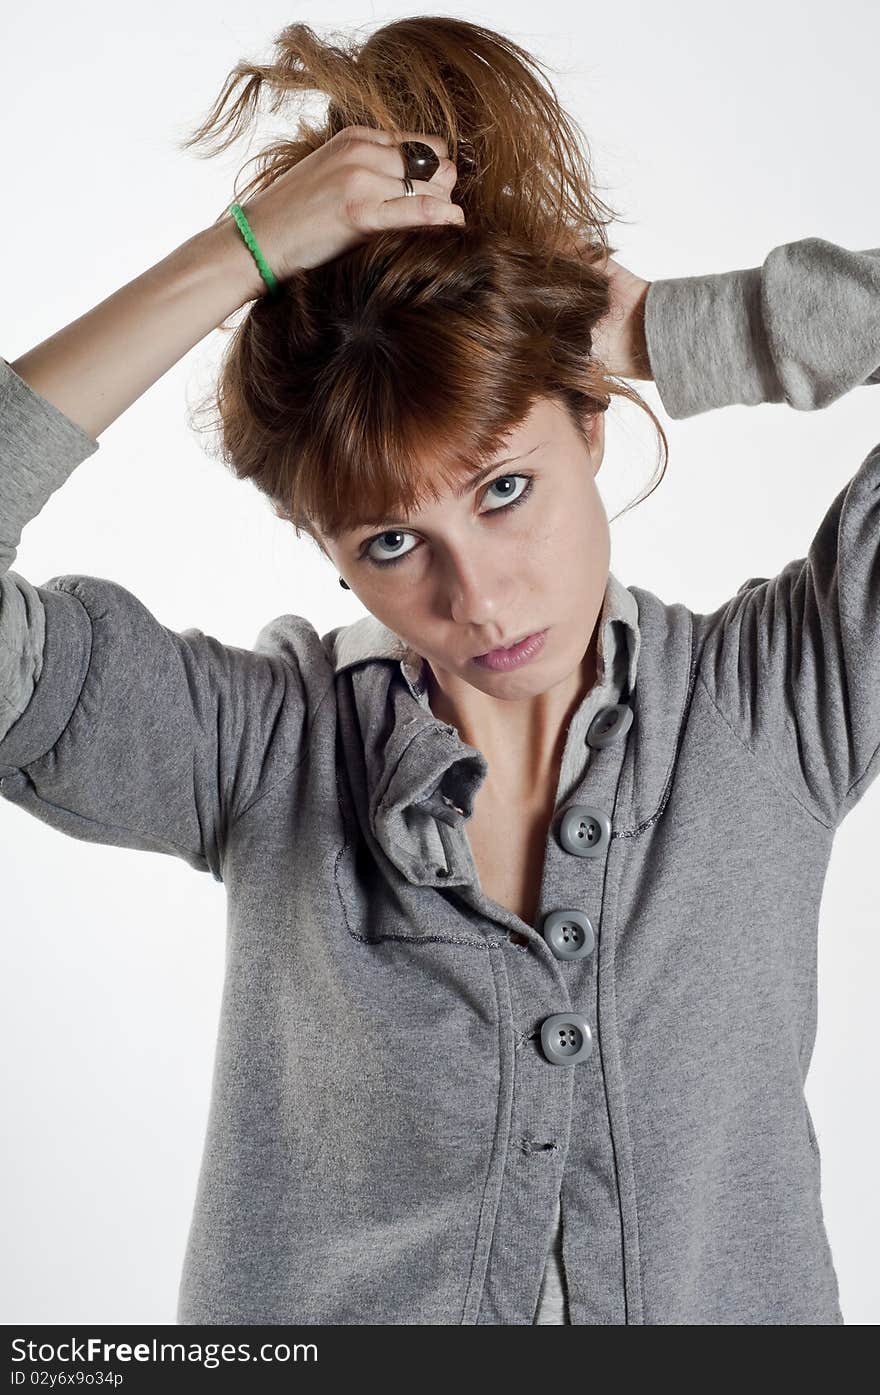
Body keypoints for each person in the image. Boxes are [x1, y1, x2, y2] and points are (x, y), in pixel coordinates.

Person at [2, 15, 878, 1326]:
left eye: (507, 488)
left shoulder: (776, 707)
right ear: (330, 553)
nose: (477, 596)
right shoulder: (263, 753)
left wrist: (699, 331)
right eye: (395, 539)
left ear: (592, 417)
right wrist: (237, 256)